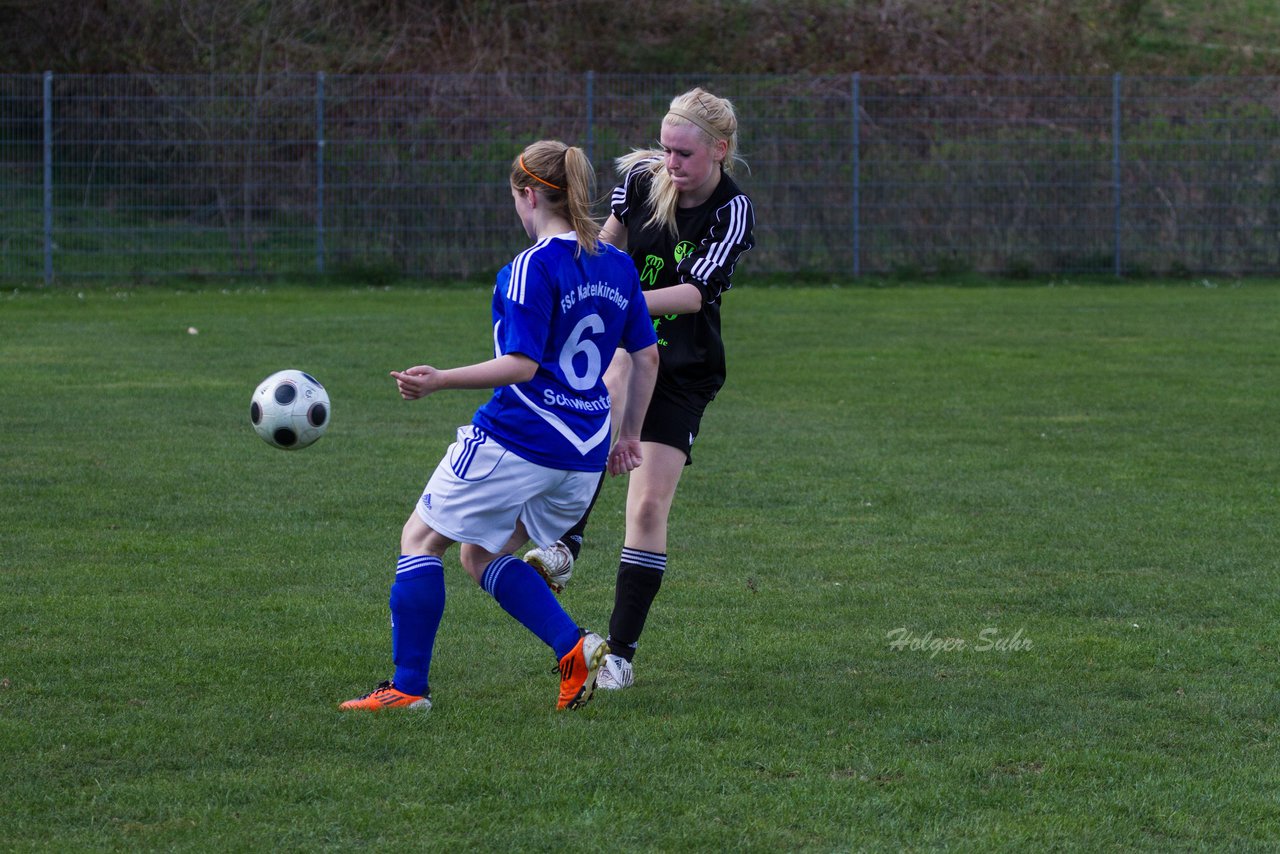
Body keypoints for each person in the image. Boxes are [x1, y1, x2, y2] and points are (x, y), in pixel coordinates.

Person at [339, 140, 659, 713]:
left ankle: (408, 687)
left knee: (420, 539)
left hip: (520, 438)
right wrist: (629, 435)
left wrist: (438, 379)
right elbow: (646, 356)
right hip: (585, 456)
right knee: (479, 557)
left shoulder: (529, 267)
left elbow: (521, 366)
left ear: (528, 194)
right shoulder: (618, 265)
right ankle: (574, 650)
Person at [524, 88, 756, 691]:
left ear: (720, 151)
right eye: (666, 149)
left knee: (649, 506)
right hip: (626, 352)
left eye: (683, 154)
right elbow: (602, 248)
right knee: (617, 377)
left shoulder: (732, 211)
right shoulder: (641, 184)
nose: (671, 163)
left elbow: (697, 295)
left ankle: (620, 656)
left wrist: (621, 303)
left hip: (685, 370)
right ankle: (567, 547)